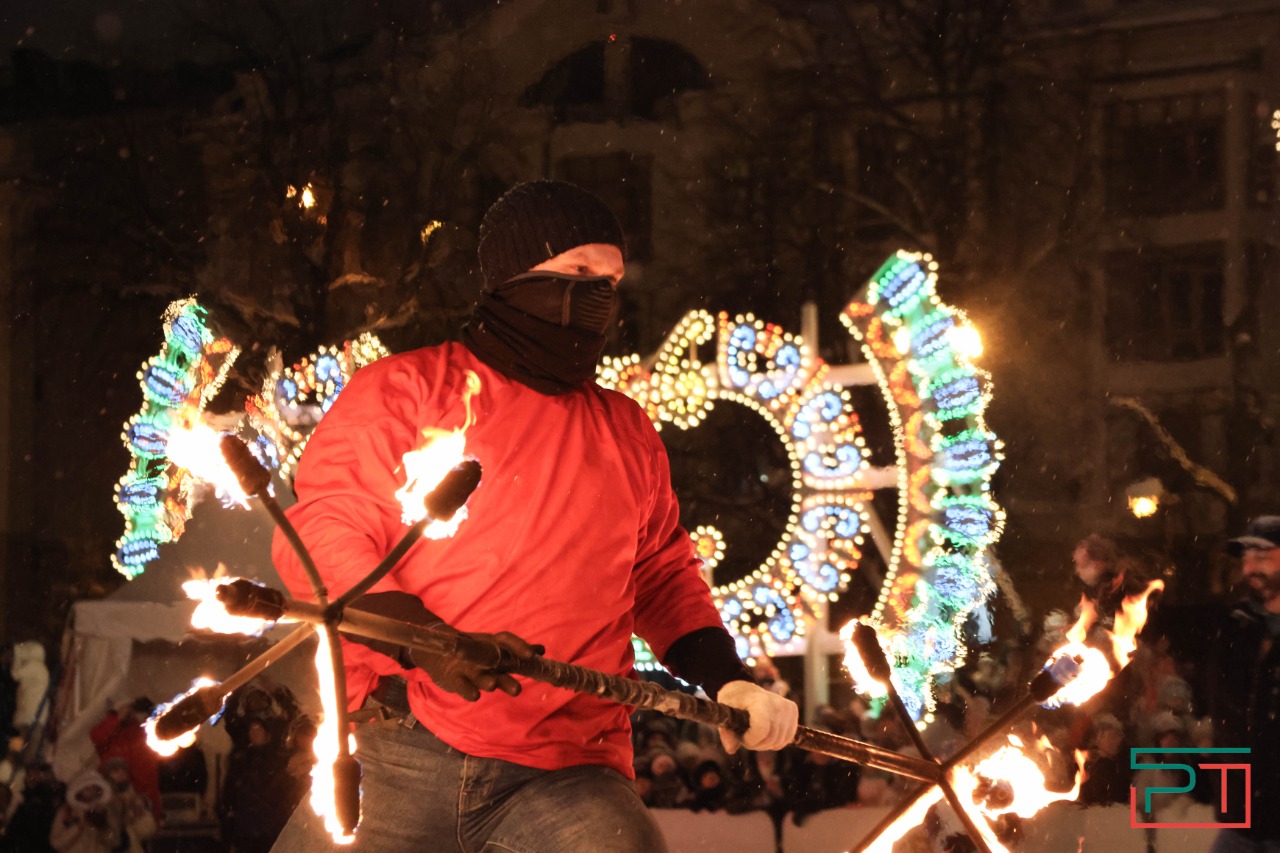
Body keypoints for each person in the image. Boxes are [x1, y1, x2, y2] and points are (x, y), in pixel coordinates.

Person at [269, 180, 798, 852]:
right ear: (515, 279)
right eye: (578, 276)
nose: (599, 300)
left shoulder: (626, 431)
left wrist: (730, 677)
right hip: (398, 744)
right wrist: (422, 638)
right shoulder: (405, 392)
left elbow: (662, 574)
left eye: (609, 282)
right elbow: (324, 536)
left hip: (565, 769)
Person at [1206, 516, 1280, 852]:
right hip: (1242, 814)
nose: (1250, 568)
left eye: (1262, 557)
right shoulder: (1238, 626)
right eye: (1247, 558)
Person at [88, 697, 161, 821]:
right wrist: (117, 718)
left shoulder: (148, 734)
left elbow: (149, 776)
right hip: (111, 796)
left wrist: (153, 811)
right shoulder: (113, 730)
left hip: (140, 800)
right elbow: (96, 737)